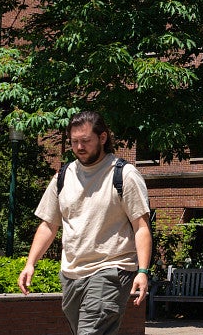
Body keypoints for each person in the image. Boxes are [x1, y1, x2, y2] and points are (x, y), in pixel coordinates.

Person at [17, 110, 153, 335]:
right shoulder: (63, 176)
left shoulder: (124, 175)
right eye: (75, 142)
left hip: (111, 268)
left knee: (89, 332)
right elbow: (48, 225)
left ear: (102, 138)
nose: (80, 147)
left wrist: (143, 271)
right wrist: (30, 263)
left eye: (86, 141)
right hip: (72, 273)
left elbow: (141, 226)